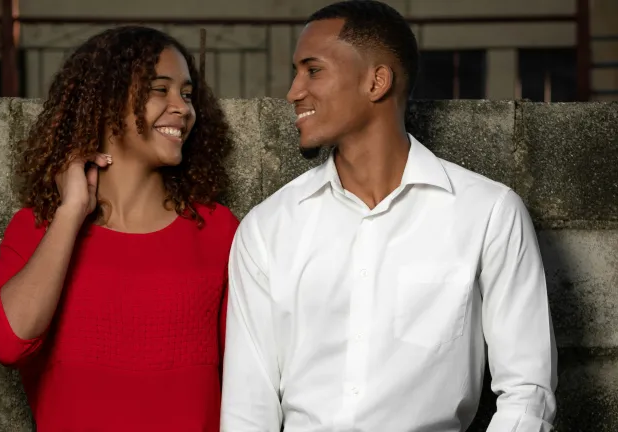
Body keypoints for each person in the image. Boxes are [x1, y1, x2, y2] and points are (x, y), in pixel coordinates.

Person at [220, 1, 557, 431]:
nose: (293, 91)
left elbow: (528, 391)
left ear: (377, 81)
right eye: (296, 71)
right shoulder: (268, 228)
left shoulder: (487, 212)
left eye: (313, 70)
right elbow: (248, 410)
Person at [0, 26, 238, 431]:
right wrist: (71, 212)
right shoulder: (38, 228)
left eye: (187, 94)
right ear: (105, 103)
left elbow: (248, 381)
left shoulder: (217, 230)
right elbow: (8, 342)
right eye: (159, 89)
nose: (183, 108)